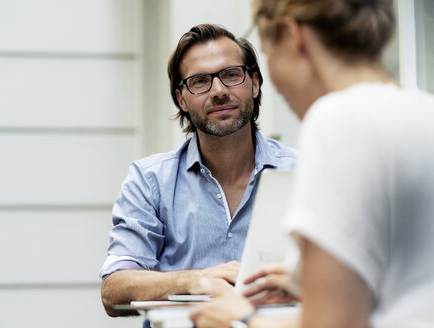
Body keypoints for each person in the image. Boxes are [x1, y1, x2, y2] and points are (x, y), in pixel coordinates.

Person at [190, 0, 434, 327]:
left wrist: (241, 320)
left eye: (267, 52)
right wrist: (313, 287)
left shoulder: (338, 120)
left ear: (291, 35)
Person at [99, 23, 297, 321]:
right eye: (200, 81)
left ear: (254, 84)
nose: (218, 91)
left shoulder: (302, 173)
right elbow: (113, 291)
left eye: (231, 75)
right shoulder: (150, 180)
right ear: (181, 99)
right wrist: (197, 280)